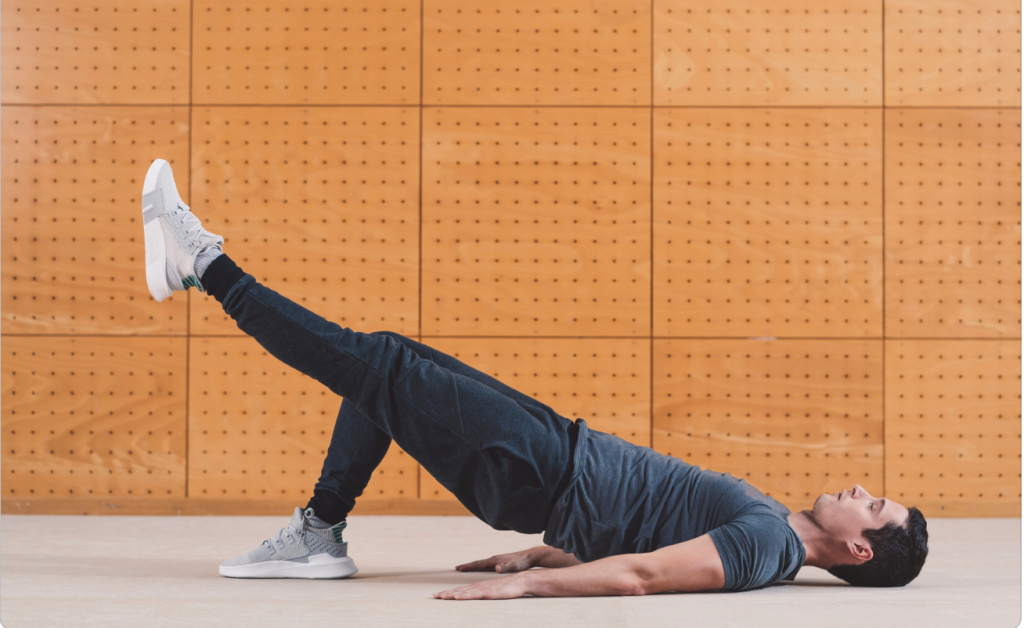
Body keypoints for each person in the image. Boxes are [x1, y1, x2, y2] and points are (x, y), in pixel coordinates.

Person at [140, 158, 929, 599]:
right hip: (557, 455)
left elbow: (647, 576)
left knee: (375, 365)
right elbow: (656, 532)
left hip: (544, 471)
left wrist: (529, 592)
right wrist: (549, 557)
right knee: (383, 364)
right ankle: (318, 533)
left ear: (860, 548)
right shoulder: (774, 531)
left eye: (874, 504)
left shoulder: (764, 546)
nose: (861, 489)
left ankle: (204, 266)